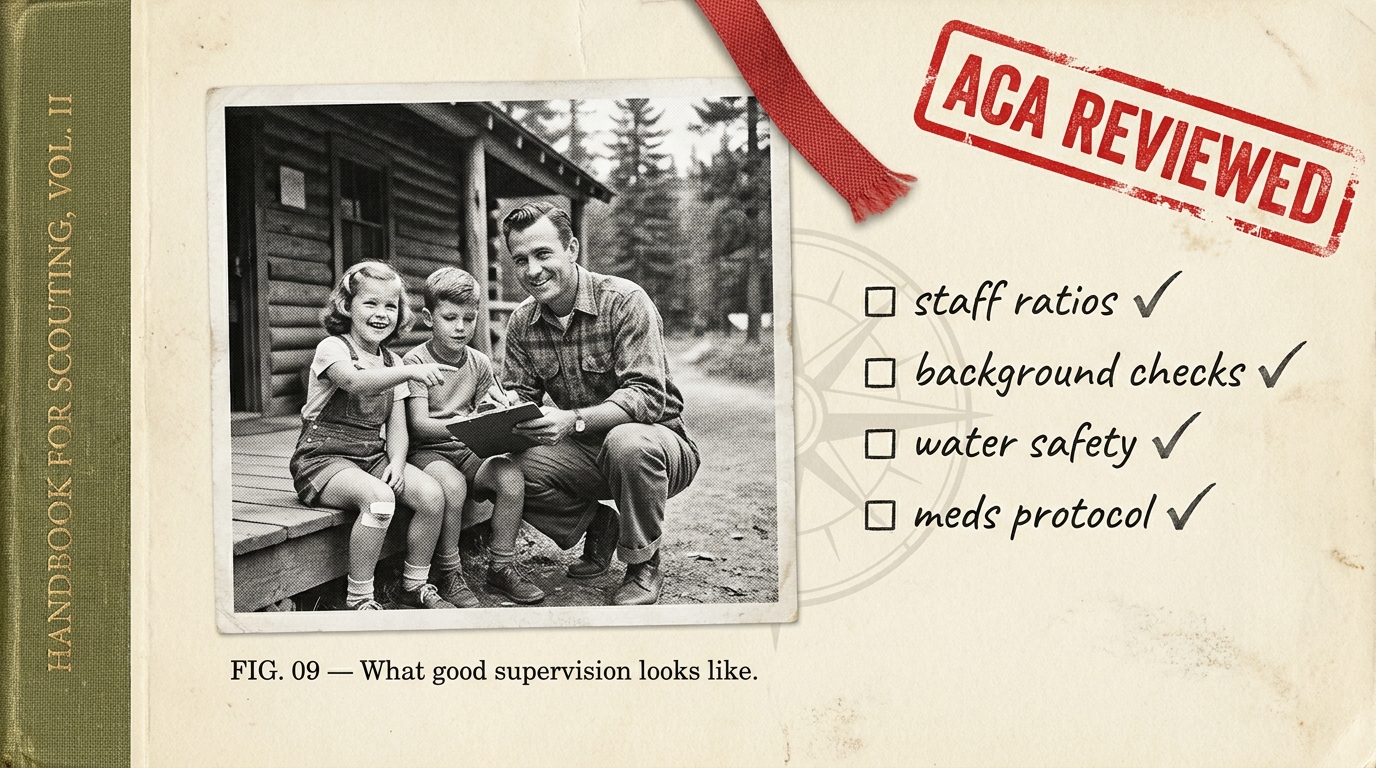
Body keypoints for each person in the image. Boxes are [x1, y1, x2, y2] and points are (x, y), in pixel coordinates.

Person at [499, 201, 700, 606]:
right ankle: (599, 524)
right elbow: (519, 396)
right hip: (585, 454)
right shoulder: (521, 321)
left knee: (626, 442)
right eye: (520, 260)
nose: (532, 270)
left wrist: (572, 420)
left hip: (656, 446)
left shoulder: (625, 300)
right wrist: (501, 410)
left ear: (571, 249)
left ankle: (643, 564)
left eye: (543, 254)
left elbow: (645, 395)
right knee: (499, 469)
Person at [288, 261, 461, 611]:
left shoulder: (393, 362)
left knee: (431, 494)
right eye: (370, 303)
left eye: (390, 306)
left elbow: (397, 427)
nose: (381, 314)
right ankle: (360, 598)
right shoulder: (332, 349)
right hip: (324, 459)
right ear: (346, 306)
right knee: (381, 499)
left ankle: (415, 584)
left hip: (371, 456)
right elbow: (354, 382)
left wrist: (397, 462)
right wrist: (410, 370)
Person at [403, 267, 546, 605]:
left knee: (510, 475)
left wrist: (501, 408)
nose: (460, 327)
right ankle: (449, 572)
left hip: (470, 449)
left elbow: (488, 408)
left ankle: (501, 567)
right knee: (452, 486)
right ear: (428, 317)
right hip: (429, 454)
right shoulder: (416, 361)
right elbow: (419, 425)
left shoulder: (479, 362)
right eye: (450, 317)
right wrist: (465, 424)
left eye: (469, 318)